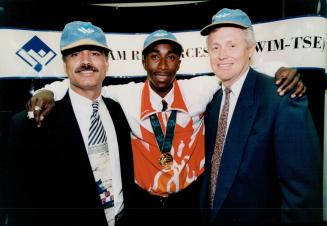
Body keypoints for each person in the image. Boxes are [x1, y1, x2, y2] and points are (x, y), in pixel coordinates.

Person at [26, 29, 305, 226]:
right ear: (143, 61)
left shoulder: (200, 88)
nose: (162, 65)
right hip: (142, 205)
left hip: (189, 203)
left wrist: (281, 69)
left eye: (171, 56)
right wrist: (49, 90)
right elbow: (86, 83)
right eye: (155, 56)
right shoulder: (126, 95)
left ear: (179, 62)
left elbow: (237, 71)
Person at [5, 21, 136, 226]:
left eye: (95, 53)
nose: (86, 61)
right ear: (64, 63)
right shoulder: (31, 123)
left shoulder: (119, 110)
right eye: (75, 54)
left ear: (106, 62)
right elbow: (19, 202)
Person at [199, 8, 322, 226]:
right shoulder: (213, 102)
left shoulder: (282, 98)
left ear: (250, 49)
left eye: (232, 45)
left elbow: (301, 196)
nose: (222, 55)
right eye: (215, 47)